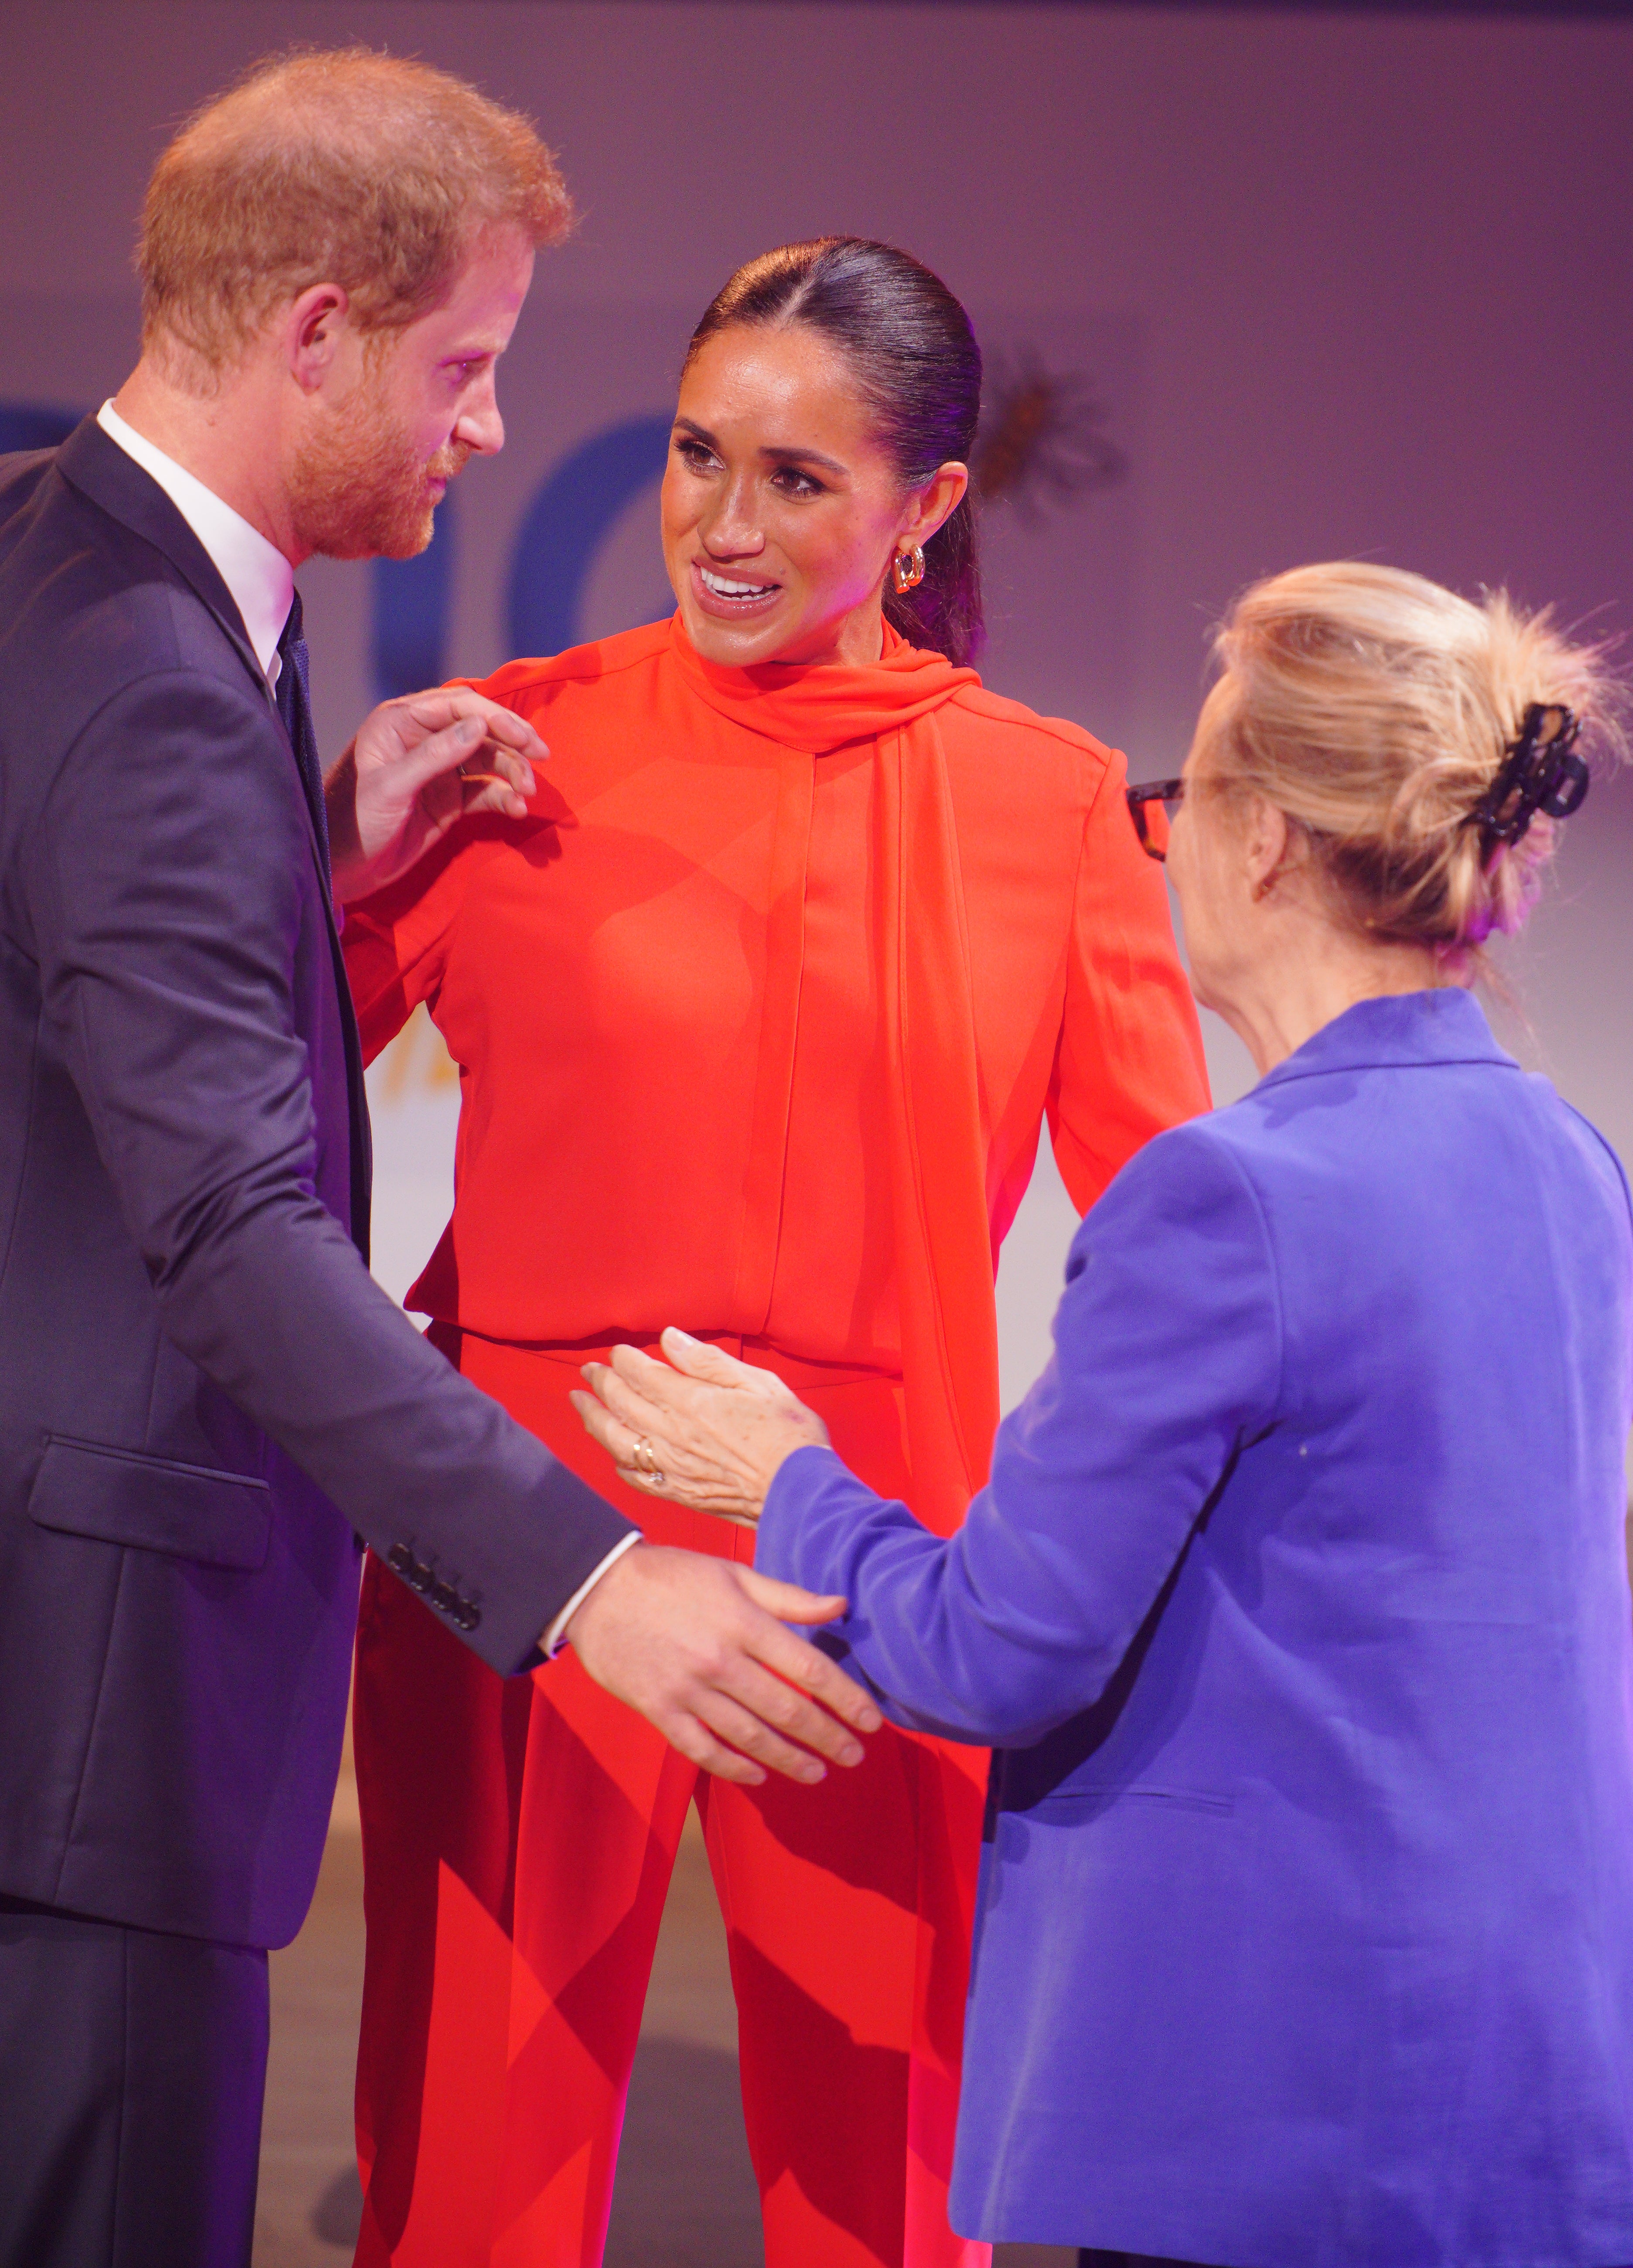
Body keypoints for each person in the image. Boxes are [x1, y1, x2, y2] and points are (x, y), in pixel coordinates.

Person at [0, 61, 874, 2268]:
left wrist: (307, 858)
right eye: (465, 367)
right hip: (93, 1729)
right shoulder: (159, 681)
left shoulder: (49, 555)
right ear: (316, 331)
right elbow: (218, 1226)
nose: (486, 429)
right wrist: (597, 1575)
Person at [576, 559, 1633, 2268]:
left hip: (1275, 2100)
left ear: (1266, 838)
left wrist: (781, 1475)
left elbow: (998, 1649)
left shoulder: (1230, 1198)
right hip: (1528, 2087)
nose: (1164, 841)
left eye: (1178, 797)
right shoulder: (1567, 1163)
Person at [340, 236, 1209, 2268]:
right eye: (696, 454)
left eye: (797, 481)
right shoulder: (504, 751)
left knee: (898, 2181)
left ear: (923, 514)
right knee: (470, 2166)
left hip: (875, 1551)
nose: (723, 526)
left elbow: (1173, 1249)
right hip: (527, 1533)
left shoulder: (1055, 806)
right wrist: (335, 858)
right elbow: (238, 1107)